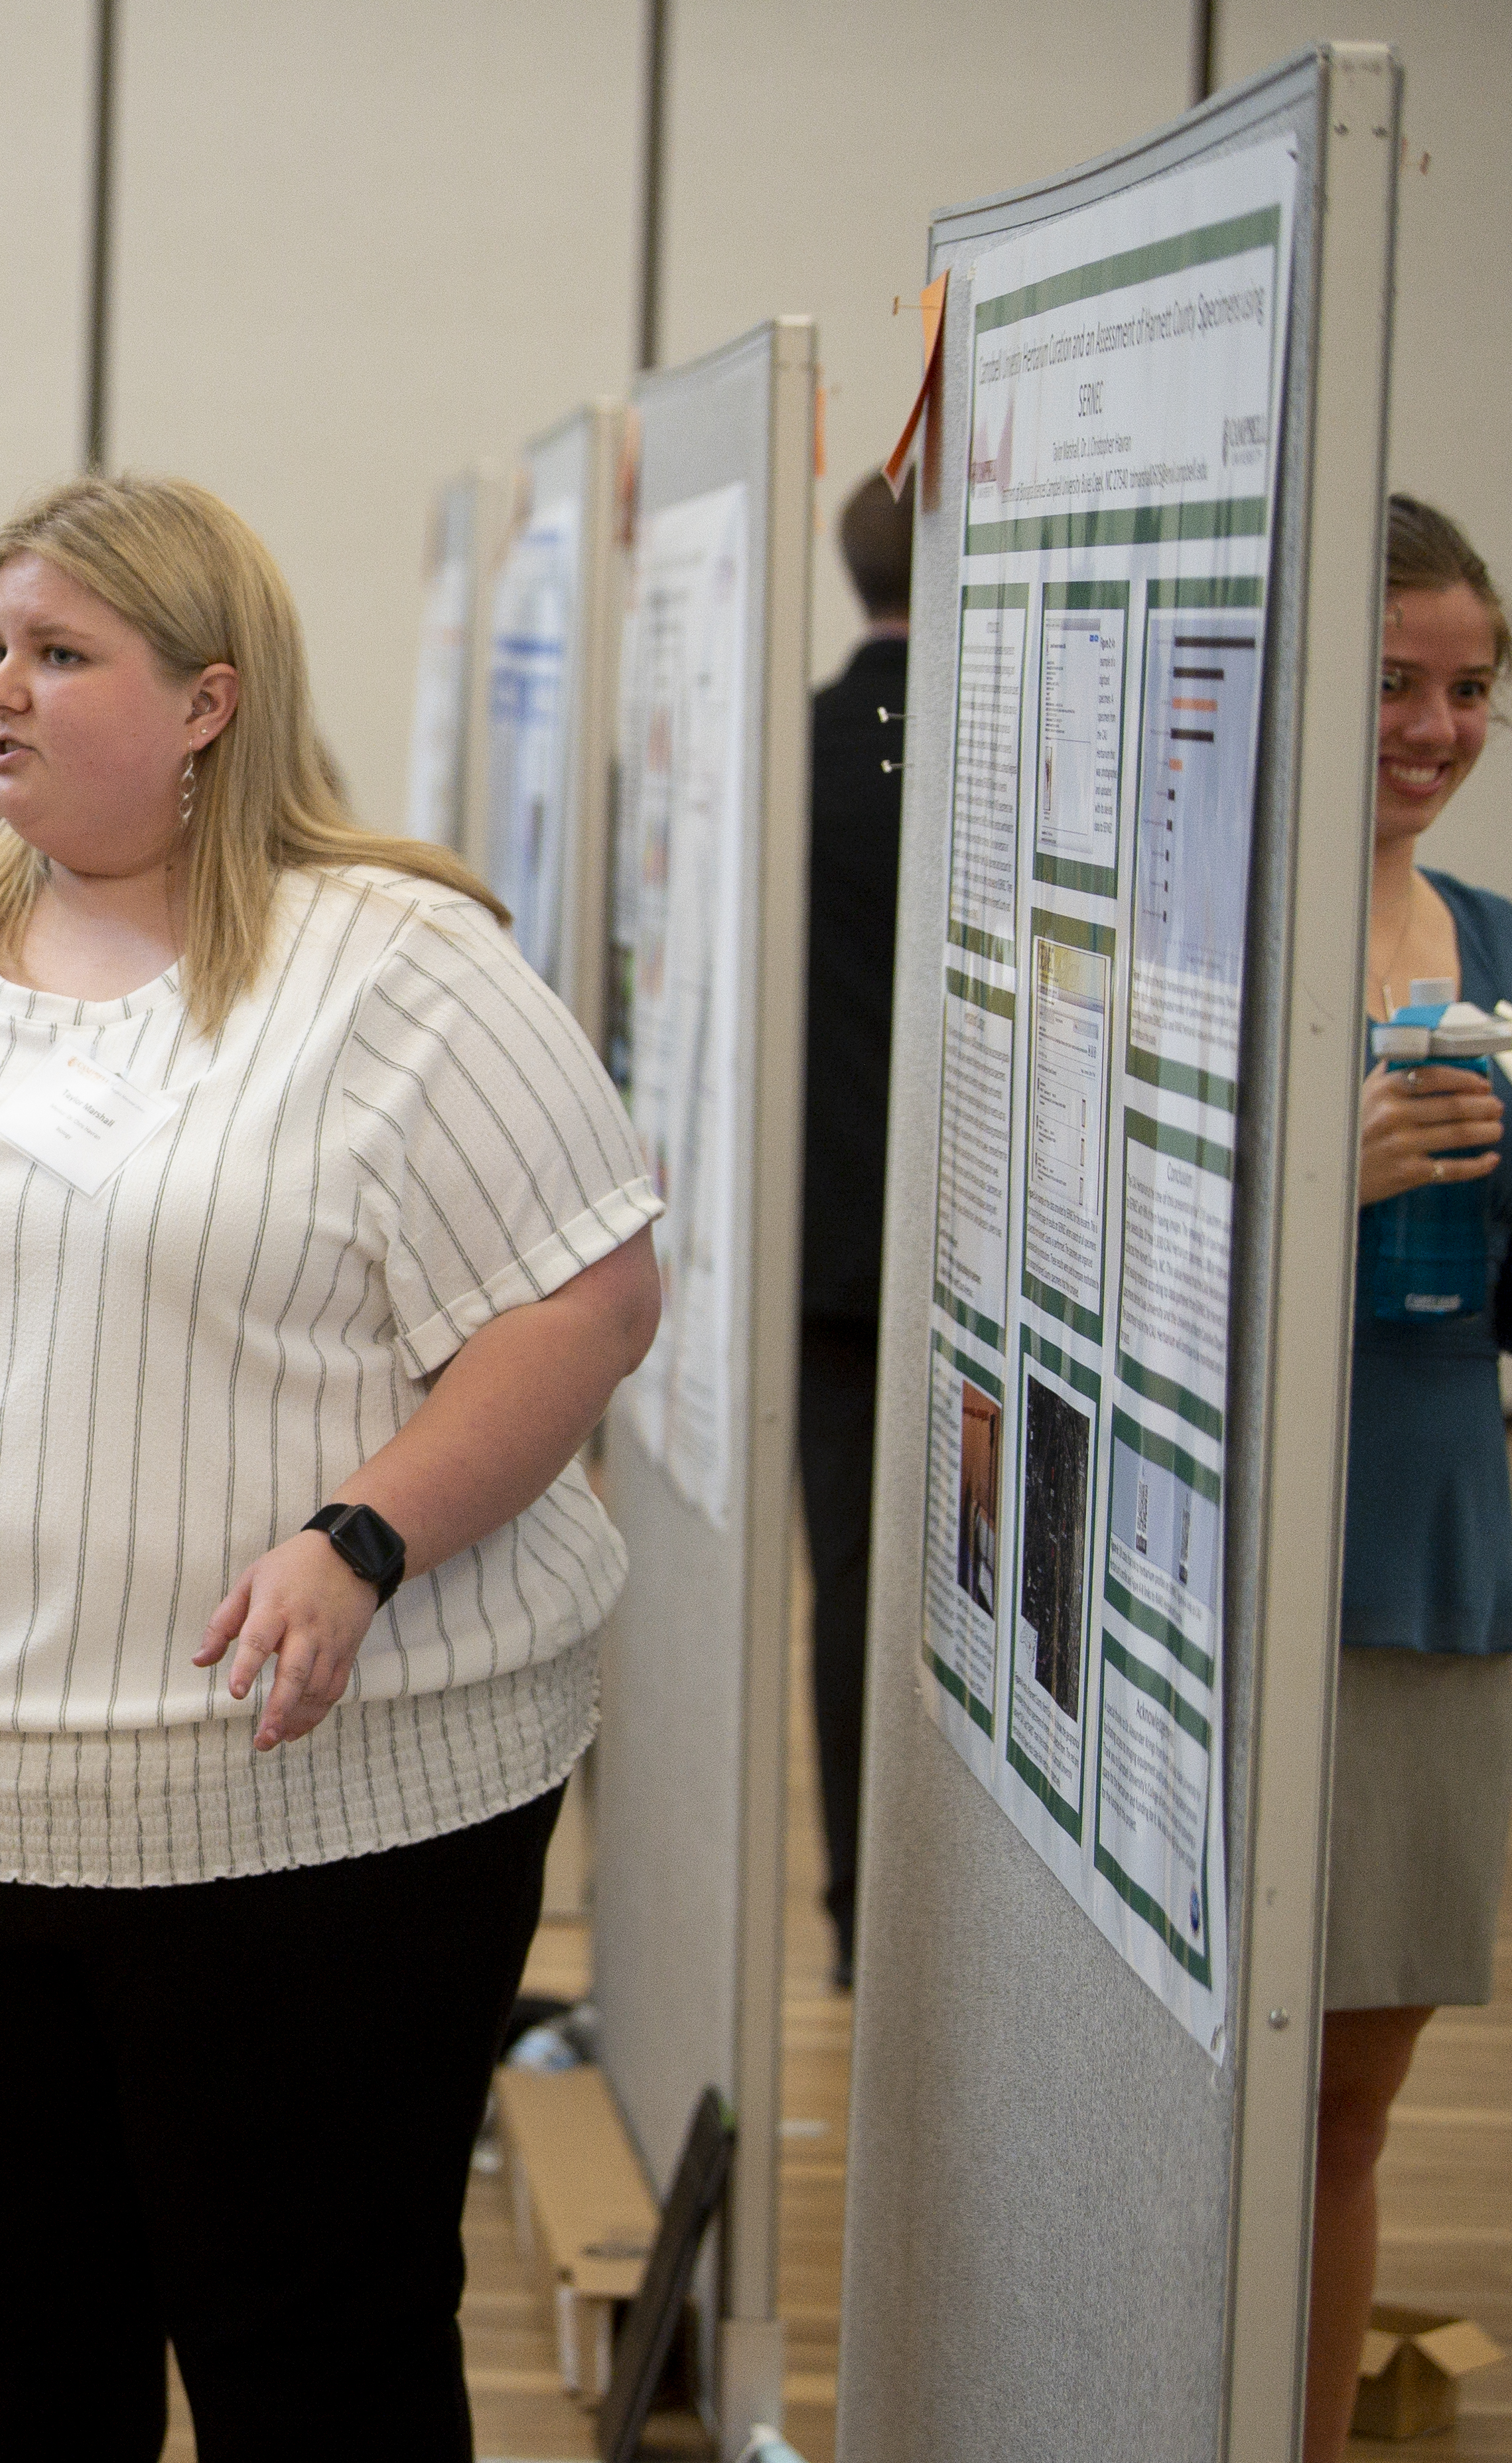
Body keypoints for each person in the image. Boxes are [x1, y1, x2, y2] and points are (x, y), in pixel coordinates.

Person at [0, 474, 662, 2459]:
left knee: (313, 2331)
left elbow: (583, 1303)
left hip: (316, 1813)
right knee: (6, 2318)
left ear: (205, 700)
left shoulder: (396, 965)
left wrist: (363, 1537)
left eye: (58, 653)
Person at [1307, 492, 1512, 2463]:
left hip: (1429, 1562)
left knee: (1346, 2110)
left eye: (1467, 689)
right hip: (1205, 1565)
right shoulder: (1194, 940)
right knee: (1188, 2088)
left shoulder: (1499, 952)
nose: (1434, 727)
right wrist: (1315, 1185)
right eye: (1389, 679)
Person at [799, 471, 911, 1988]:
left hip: (826, 1247)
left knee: (853, 1589)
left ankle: (854, 1925)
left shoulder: (795, 749)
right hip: (1005, 1257)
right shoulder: (1015, 753)